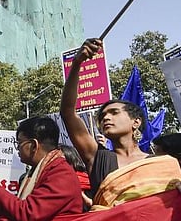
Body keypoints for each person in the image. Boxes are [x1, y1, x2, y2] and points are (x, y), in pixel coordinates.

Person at [60, 38, 149, 196]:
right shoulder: (97, 157)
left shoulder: (159, 163)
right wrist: (76, 64)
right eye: (102, 116)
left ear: (136, 122)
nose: (106, 118)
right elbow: (68, 112)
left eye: (114, 113)